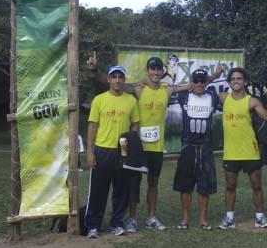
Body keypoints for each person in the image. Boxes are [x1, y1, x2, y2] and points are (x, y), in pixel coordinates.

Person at [86, 53, 223, 232]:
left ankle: (151, 218)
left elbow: (195, 85)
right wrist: (95, 70)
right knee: (133, 184)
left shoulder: (167, 90)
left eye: (159, 69)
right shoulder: (138, 89)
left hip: (156, 147)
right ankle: (133, 220)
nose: (156, 72)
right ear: (147, 70)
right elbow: (111, 81)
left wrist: (214, 76)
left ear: (162, 71)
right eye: (153, 68)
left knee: (153, 183)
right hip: (138, 147)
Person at [84, 65, 140, 238]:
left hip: (122, 151)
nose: (117, 80)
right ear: (108, 79)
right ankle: (93, 225)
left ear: (124, 80)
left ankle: (116, 223)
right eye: (114, 77)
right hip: (102, 150)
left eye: (120, 77)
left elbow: (135, 124)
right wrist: (90, 152)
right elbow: (92, 126)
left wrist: (131, 141)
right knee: (98, 191)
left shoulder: (130, 100)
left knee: (121, 190)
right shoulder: (99, 100)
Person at [217, 67, 267, 230]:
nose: (236, 81)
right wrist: (214, 75)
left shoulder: (252, 101)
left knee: (256, 185)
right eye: (233, 79)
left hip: (250, 151)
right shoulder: (223, 98)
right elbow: (199, 87)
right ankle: (229, 219)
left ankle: (260, 218)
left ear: (245, 82)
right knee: (230, 186)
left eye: (239, 78)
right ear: (230, 82)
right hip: (231, 152)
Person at [173, 69, 220, 230]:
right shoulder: (184, 96)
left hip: (206, 147)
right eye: (196, 81)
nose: (200, 84)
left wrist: (210, 79)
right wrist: (194, 84)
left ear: (206, 82)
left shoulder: (213, 96)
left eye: (202, 81)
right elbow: (174, 89)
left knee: (204, 184)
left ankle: (203, 219)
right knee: (186, 185)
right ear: (192, 82)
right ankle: (185, 219)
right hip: (188, 146)